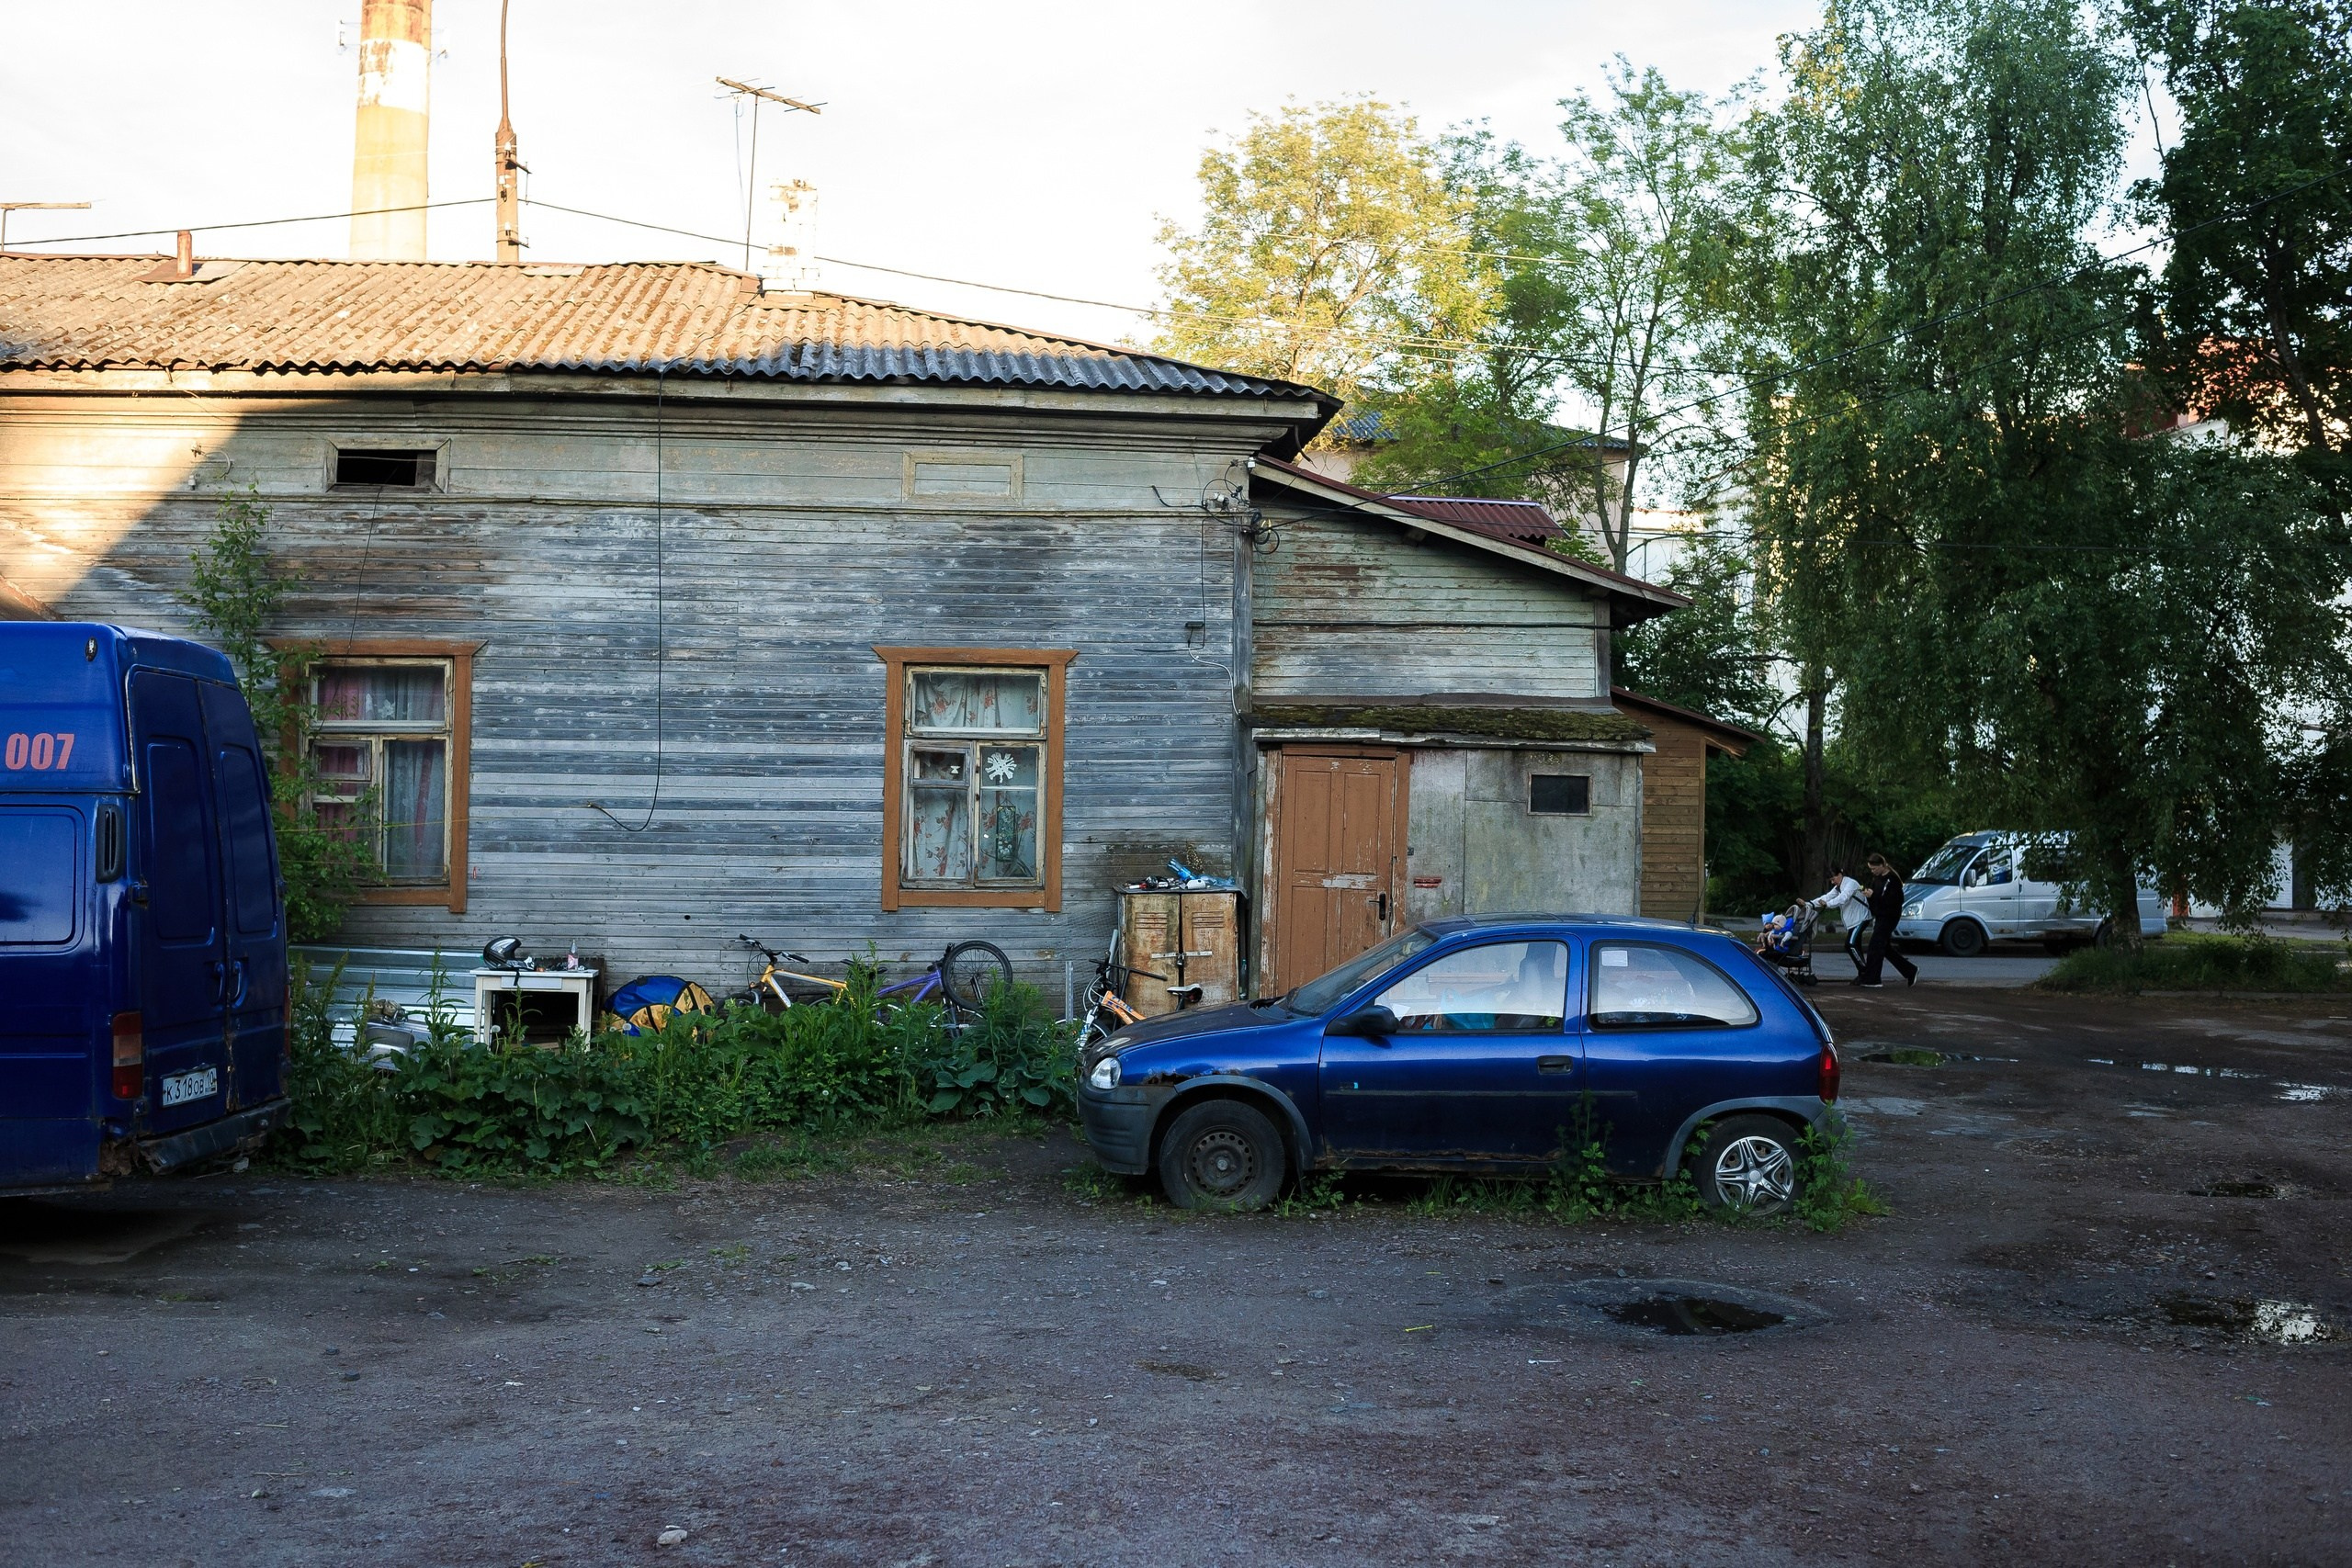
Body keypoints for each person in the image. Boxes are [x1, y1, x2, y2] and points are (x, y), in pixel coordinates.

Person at [1854, 852, 1917, 987]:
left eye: (1874, 868)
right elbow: (1877, 896)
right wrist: (1869, 895)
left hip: (1889, 916)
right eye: (1871, 869)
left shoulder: (1892, 880)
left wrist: (1874, 896)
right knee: (1884, 947)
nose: (1873, 872)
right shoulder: (1877, 878)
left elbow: (1893, 900)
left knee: (1875, 946)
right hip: (1881, 915)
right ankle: (1910, 970)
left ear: (1882, 865)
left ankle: (1873, 979)